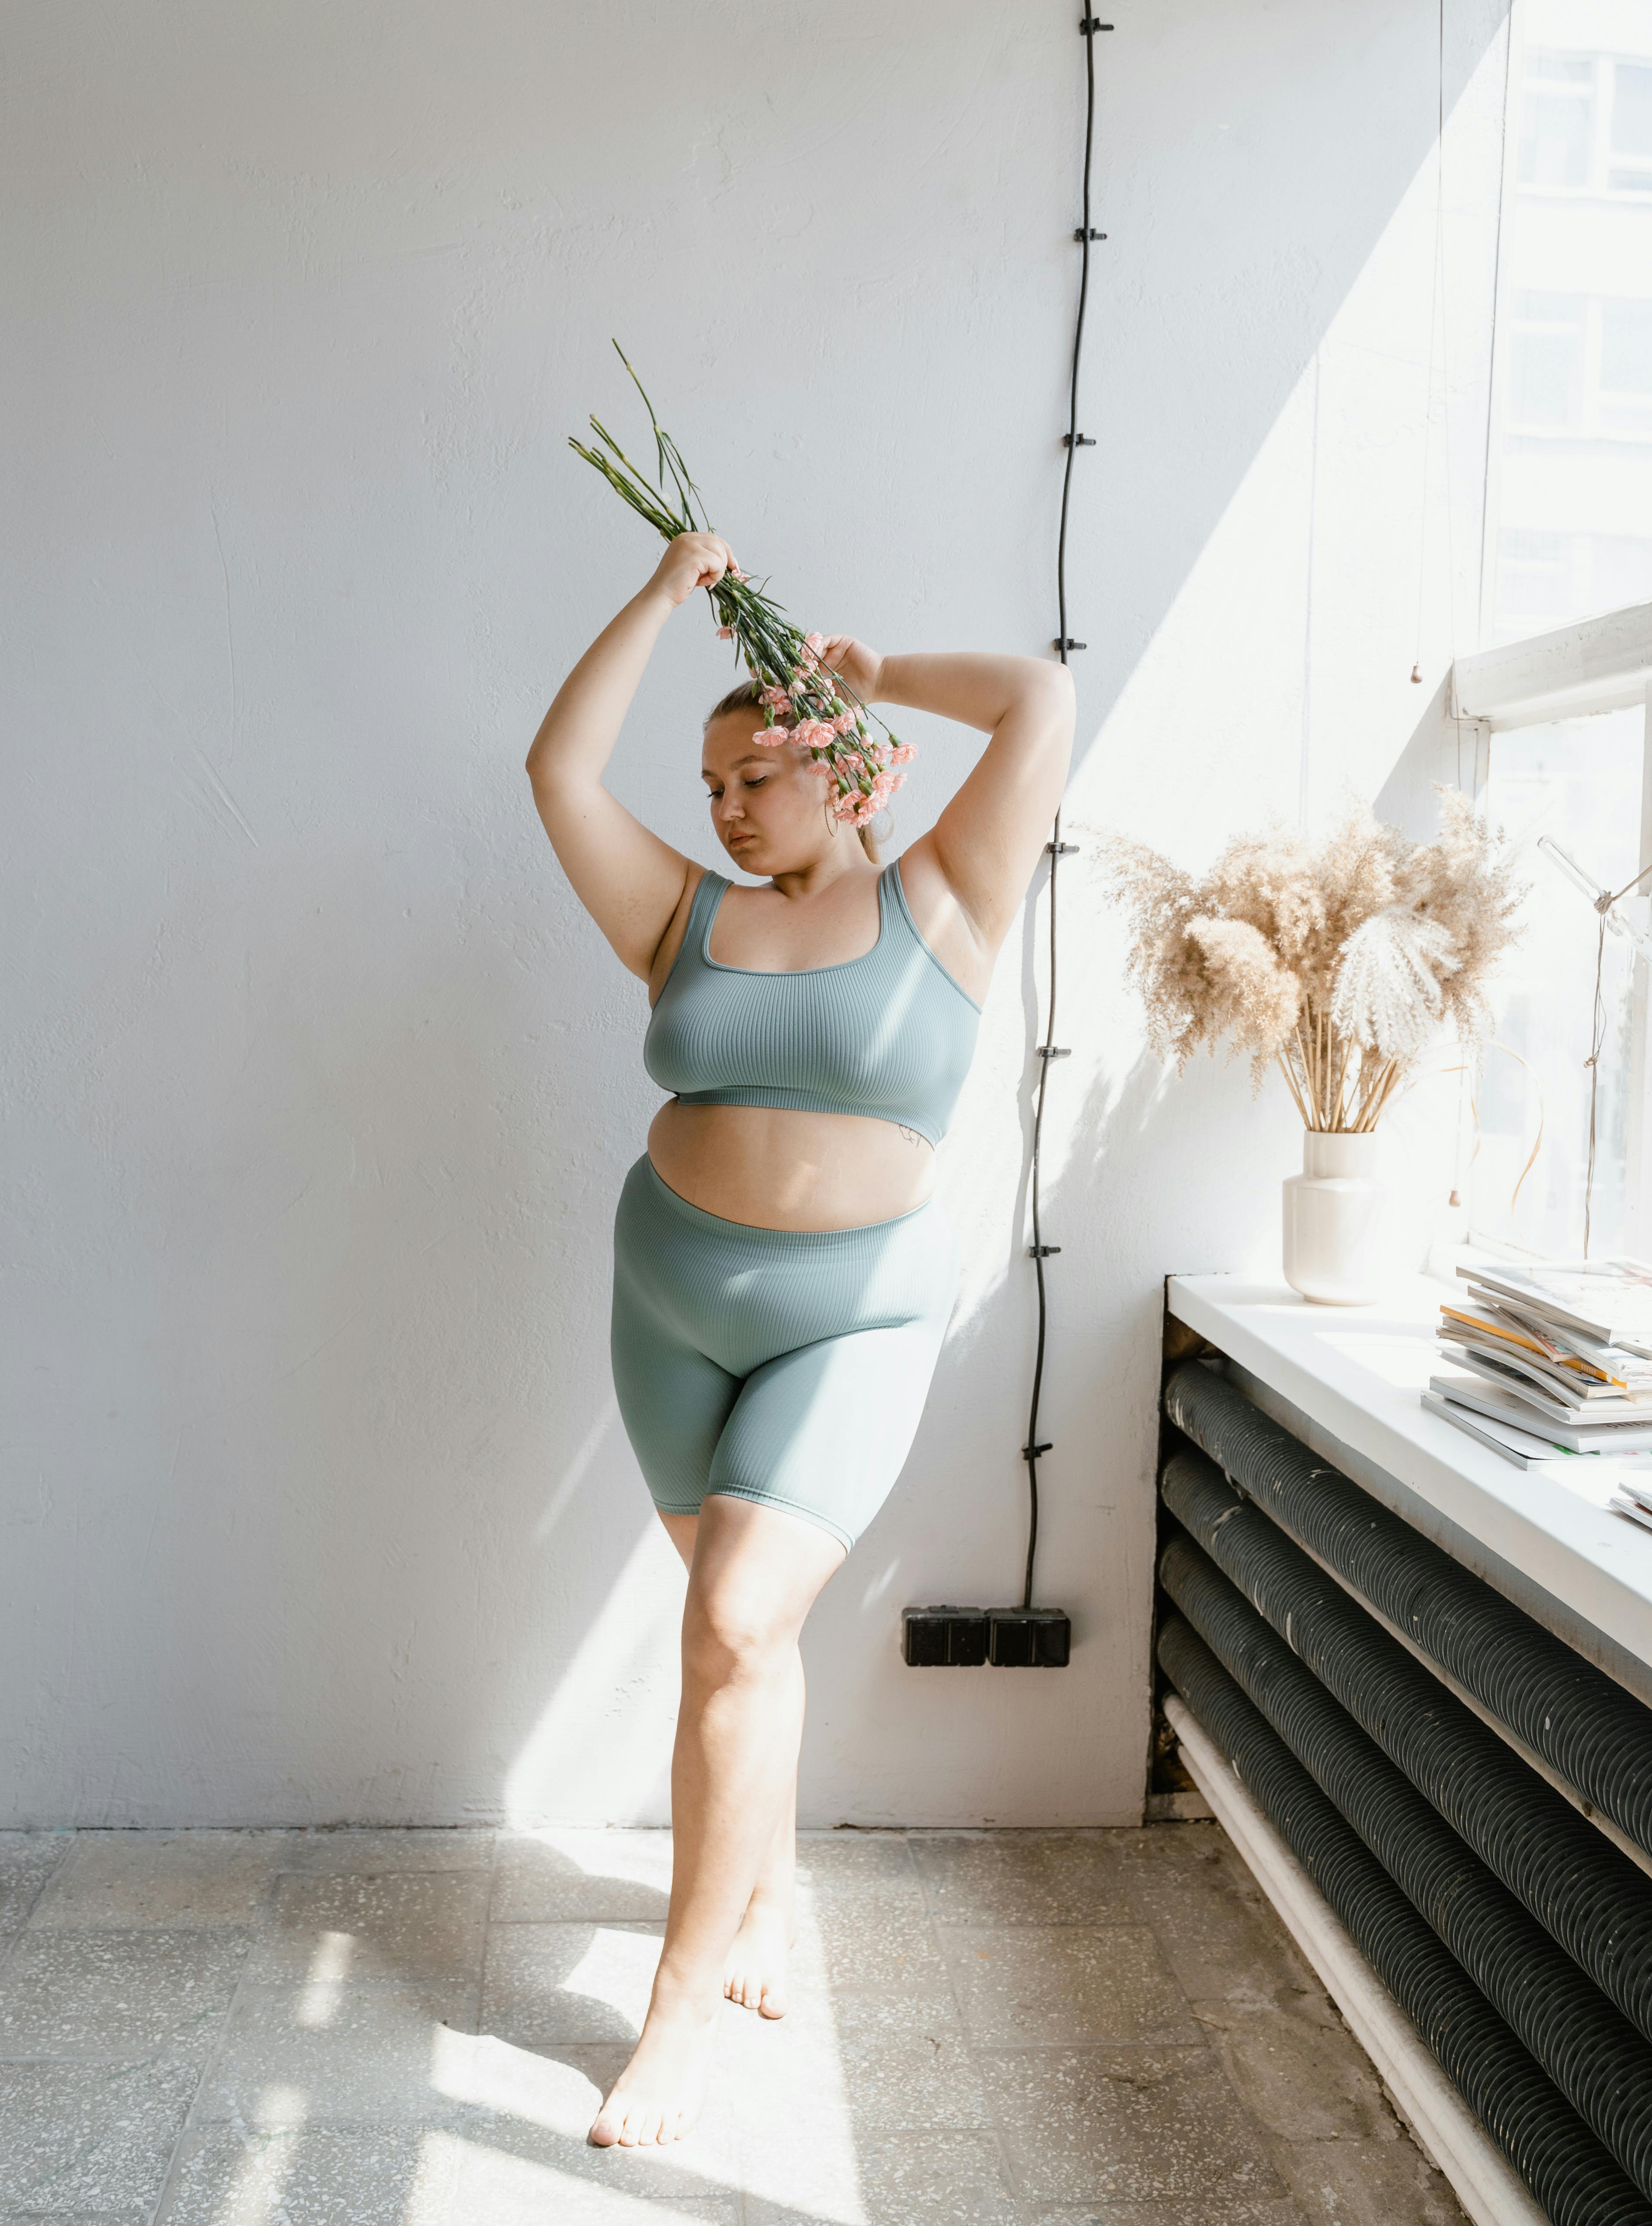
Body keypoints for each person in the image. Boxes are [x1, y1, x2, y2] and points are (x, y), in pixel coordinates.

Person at [526, 529, 1074, 2149]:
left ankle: (676, 2015)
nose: (725, 806)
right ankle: (758, 1897)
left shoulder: (952, 895)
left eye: (755, 770)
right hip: (671, 1304)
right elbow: (558, 769)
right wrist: (658, 597)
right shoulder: (679, 916)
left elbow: (1039, 696)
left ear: (853, 769)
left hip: (856, 1313)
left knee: (735, 1619)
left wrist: (869, 672)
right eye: (708, 786)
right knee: (738, 1642)